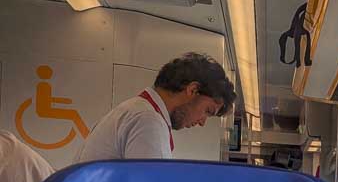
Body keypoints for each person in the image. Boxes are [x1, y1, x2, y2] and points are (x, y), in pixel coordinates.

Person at [75, 53, 235, 163]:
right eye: (207, 111)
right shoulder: (149, 121)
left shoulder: (135, 110)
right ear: (192, 90)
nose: (202, 122)